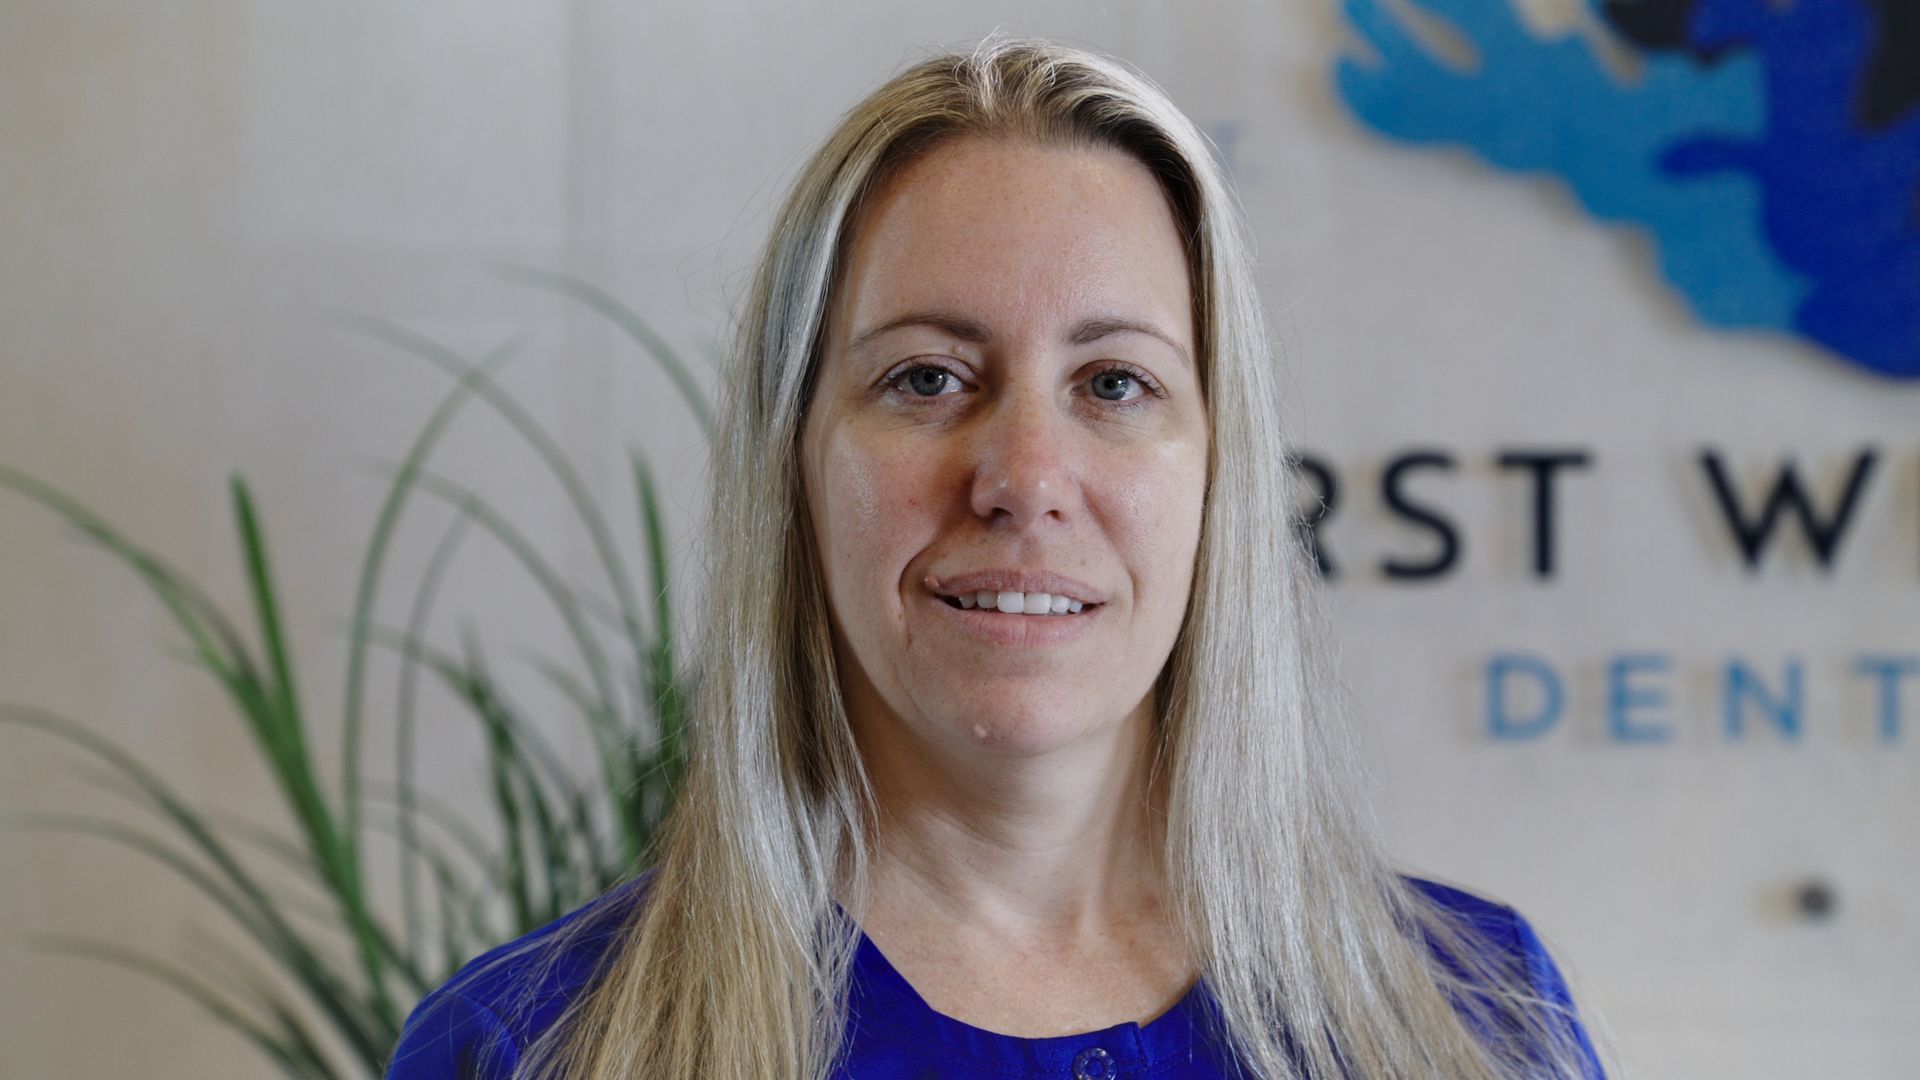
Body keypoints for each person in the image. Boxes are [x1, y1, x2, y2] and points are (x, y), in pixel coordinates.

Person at [385, 36, 1610, 1080]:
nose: (1024, 478)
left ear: (1219, 471)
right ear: (795, 459)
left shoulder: (1476, 1018)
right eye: (926, 377)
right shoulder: (534, 1046)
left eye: (1116, 383)